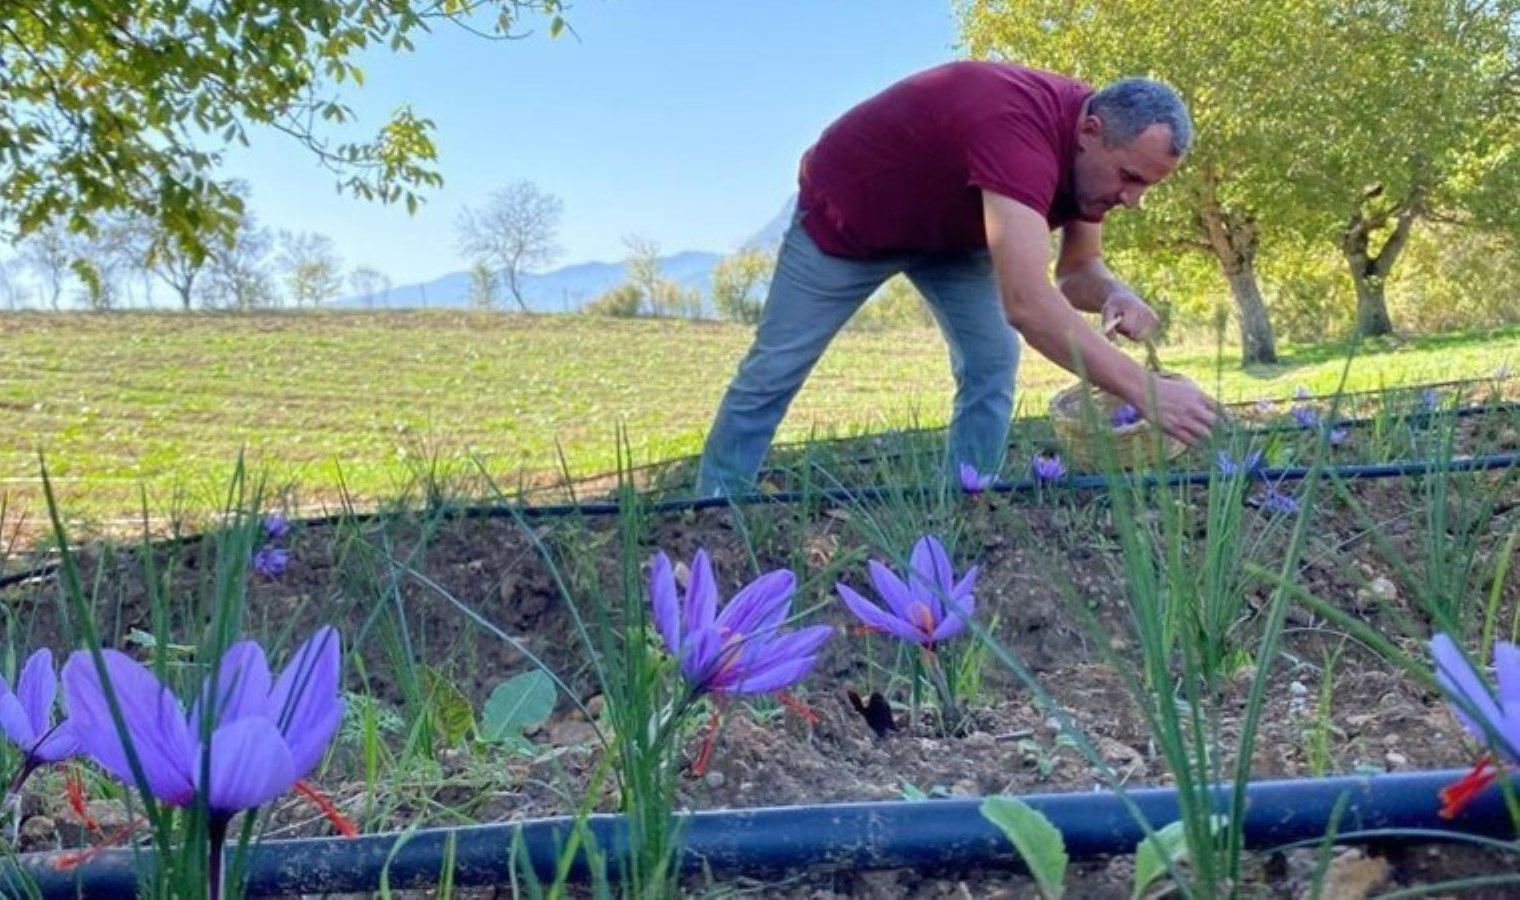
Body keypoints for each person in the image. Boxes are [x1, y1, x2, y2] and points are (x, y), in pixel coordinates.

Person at [695, 61, 1219, 497]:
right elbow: (1028, 304)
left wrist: (1115, 292)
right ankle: (714, 505)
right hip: (850, 219)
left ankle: (972, 494)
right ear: (1090, 131)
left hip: (953, 236)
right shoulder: (1018, 129)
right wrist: (1142, 390)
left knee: (992, 359)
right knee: (776, 366)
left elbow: (1077, 274)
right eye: (1130, 179)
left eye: (1145, 186)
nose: (1132, 200)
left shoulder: (1098, 158)